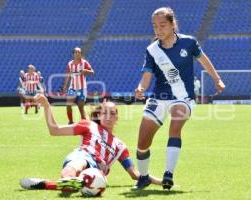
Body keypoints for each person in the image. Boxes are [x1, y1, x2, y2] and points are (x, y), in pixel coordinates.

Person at [133, 7, 225, 190]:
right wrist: (141, 88)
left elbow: (204, 61)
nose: (158, 30)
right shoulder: (152, 50)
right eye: (155, 26)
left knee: (175, 124)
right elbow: (146, 76)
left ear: (172, 24)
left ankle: (168, 174)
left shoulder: (189, 43)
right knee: (143, 142)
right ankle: (144, 177)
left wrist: (217, 80)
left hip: (183, 98)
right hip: (159, 98)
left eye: (162, 25)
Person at [20, 94, 162, 191]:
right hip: (83, 155)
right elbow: (55, 130)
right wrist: (46, 105)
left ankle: (53, 184)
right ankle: (66, 180)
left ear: (117, 118)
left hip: (96, 175)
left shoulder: (120, 146)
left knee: (77, 184)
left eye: (112, 113)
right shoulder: (88, 125)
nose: (108, 116)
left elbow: (136, 175)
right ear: (99, 115)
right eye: (105, 112)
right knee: (76, 166)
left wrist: (161, 182)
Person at [63, 47, 94, 124]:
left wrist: (86, 71)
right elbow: (67, 75)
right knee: (68, 104)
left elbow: (93, 72)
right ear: (73, 54)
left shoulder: (84, 63)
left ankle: (84, 121)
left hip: (82, 89)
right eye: (76, 52)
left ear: (81, 54)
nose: (77, 54)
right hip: (72, 88)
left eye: (79, 52)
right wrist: (65, 86)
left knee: (80, 106)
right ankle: (70, 121)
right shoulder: (70, 64)